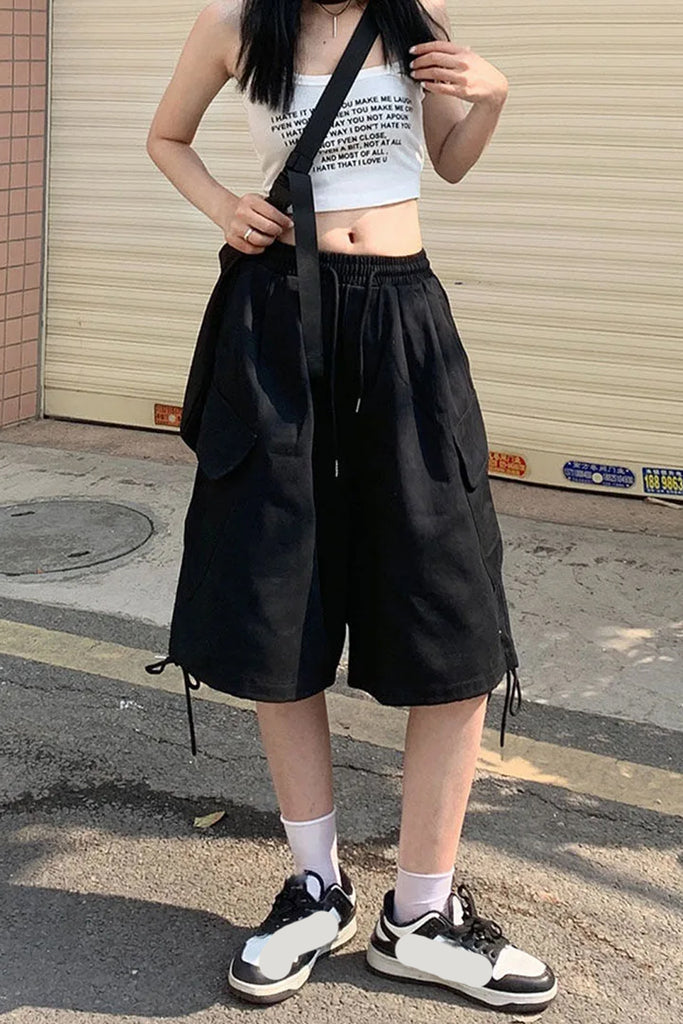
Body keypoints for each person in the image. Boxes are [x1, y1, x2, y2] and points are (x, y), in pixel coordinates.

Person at [145, 0, 557, 1013]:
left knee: (451, 612)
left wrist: (492, 95)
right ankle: (315, 887)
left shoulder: (414, 16)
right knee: (276, 600)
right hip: (278, 324)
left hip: (403, 324)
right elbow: (166, 137)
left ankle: (419, 914)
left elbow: (448, 162)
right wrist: (222, 206)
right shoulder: (234, 23)